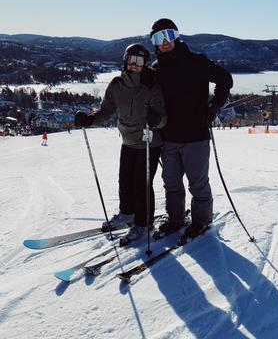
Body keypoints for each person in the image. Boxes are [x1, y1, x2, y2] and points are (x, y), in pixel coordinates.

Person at [74, 44, 167, 243]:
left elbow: (163, 118)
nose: (135, 65)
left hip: (149, 143)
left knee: (142, 184)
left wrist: (155, 119)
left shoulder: (151, 85)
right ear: (125, 61)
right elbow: (106, 110)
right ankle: (127, 213)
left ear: (145, 63)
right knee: (125, 180)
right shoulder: (116, 85)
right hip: (128, 140)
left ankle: (144, 223)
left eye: (139, 61)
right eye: (131, 60)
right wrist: (90, 120)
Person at [149, 18, 233, 239]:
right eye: (159, 37)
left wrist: (213, 108)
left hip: (196, 135)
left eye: (169, 35)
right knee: (172, 183)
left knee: (197, 183)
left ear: (177, 36)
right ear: (154, 43)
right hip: (169, 137)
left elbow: (225, 79)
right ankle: (176, 218)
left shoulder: (196, 62)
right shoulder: (156, 70)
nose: (165, 41)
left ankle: (201, 221)